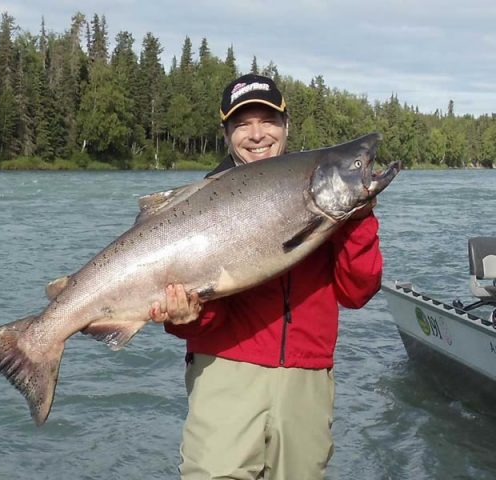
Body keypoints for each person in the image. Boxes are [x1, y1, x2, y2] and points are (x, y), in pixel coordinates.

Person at [148, 73, 383, 480]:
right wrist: (186, 316)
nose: (257, 135)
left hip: (307, 380)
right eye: (242, 124)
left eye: (268, 121)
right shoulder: (201, 205)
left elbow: (357, 291)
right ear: (226, 134)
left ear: (286, 125)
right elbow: (208, 319)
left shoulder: (321, 191)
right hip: (225, 373)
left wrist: (359, 218)